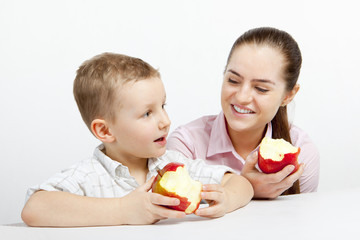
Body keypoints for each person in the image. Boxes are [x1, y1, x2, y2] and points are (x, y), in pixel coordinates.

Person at [21, 53, 254, 227]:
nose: (165, 121)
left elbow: (241, 184)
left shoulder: (173, 165)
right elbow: (34, 209)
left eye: (163, 106)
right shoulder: (89, 177)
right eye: (147, 113)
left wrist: (228, 198)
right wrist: (122, 210)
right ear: (105, 131)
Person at [167, 27, 320, 199]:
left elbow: (300, 223)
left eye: (261, 89)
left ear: (288, 95)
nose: (242, 97)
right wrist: (247, 190)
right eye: (233, 80)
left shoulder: (302, 153)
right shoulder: (186, 144)